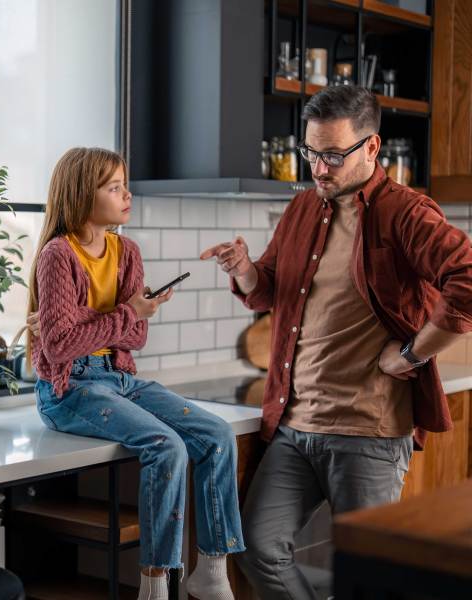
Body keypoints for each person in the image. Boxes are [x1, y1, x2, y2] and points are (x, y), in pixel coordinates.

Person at [200, 86, 472, 599]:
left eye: (332, 155)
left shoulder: (406, 212)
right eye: (311, 152)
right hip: (295, 426)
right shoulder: (303, 207)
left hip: (368, 431)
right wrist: (244, 270)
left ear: (371, 147)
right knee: (258, 547)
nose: (319, 168)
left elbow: (468, 279)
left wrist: (413, 353)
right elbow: (269, 290)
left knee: (367, 575)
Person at [26, 147, 244, 600]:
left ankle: (211, 570)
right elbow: (61, 346)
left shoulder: (127, 251)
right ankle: (154, 584)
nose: (127, 195)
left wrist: (94, 320)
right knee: (166, 446)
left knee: (218, 434)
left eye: (125, 185)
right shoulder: (57, 255)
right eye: (114, 187)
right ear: (82, 194)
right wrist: (126, 313)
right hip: (68, 387)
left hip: (119, 376)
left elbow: (136, 337)